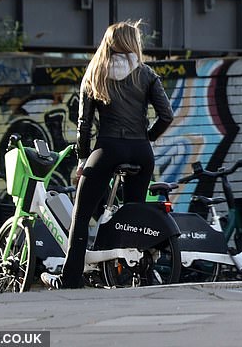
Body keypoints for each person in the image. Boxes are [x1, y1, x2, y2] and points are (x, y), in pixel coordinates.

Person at [41, 20, 174, 289]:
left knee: (81, 214)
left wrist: (82, 159)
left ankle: (70, 278)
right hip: (141, 152)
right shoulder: (146, 74)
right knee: (134, 214)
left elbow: (84, 125)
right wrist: (148, 137)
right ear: (132, 43)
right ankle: (140, 274)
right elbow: (166, 115)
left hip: (108, 149)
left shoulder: (94, 73)